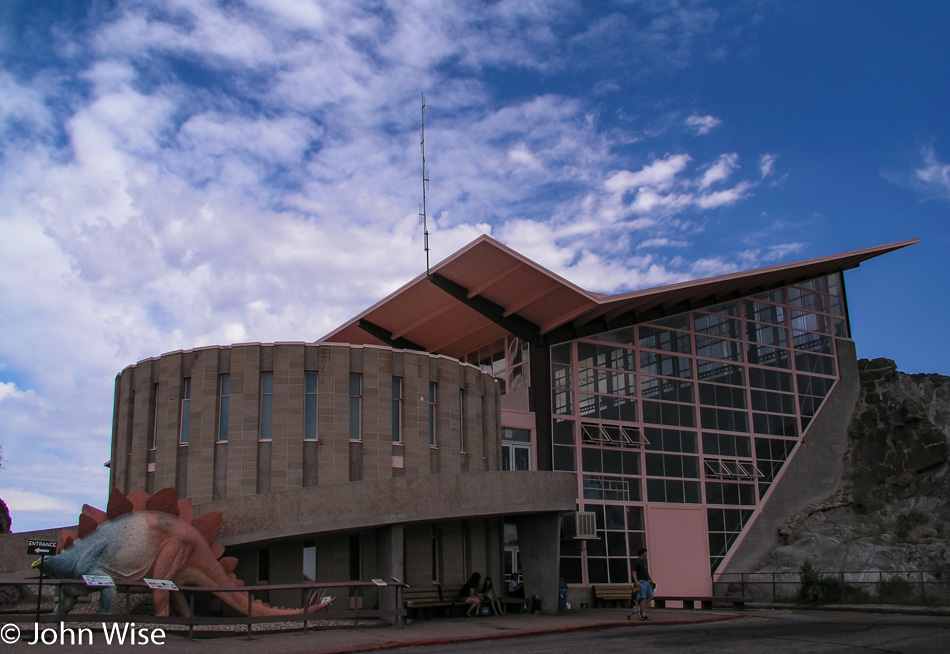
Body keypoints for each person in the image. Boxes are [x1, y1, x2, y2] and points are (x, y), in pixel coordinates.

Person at [627, 547, 655, 621]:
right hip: (641, 581)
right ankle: (643, 614)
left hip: (646, 581)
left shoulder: (644, 562)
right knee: (643, 598)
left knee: (651, 596)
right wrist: (636, 581)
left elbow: (646, 572)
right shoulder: (637, 562)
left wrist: (651, 580)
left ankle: (639, 607)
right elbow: (634, 572)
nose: (646, 554)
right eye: (645, 553)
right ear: (642, 554)